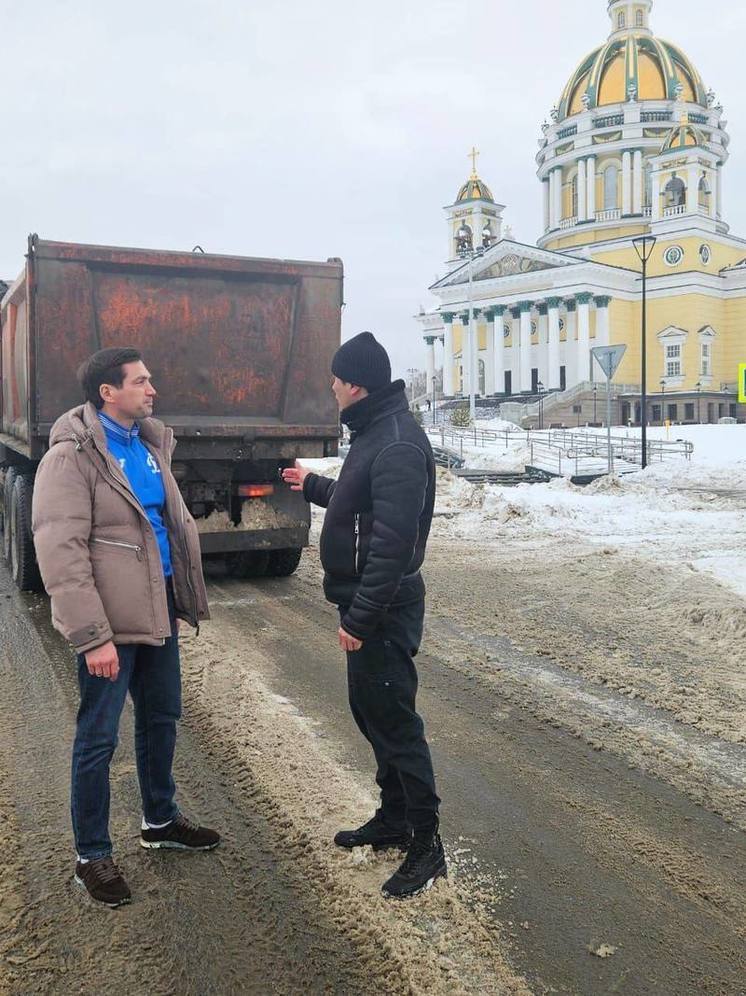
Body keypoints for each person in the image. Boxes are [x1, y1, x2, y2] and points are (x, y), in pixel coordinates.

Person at [32, 347, 218, 908]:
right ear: (107, 392)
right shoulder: (72, 457)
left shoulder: (150, 445)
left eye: (150, 379)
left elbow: (165, 530)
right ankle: (92, 854)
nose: (152, 388)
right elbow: (61, 554)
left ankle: (159, 820)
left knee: (162, 718)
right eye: (141, 381)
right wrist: (92, 637)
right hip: (108, 625)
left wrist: (177, 601)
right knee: (98, 738)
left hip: (156, 609)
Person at [282, 331, 445, 899]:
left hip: (382, 608)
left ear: (355, 384)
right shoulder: (376, 432)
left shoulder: (396, 442)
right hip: (365, 603)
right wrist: (314, 485)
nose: (330, 388)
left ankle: (426, 843)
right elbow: (364, 502)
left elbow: (394, 543)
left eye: (335, 379)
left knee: (396, 723)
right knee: (372, 714)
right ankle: (394, 818)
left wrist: (361, 618)